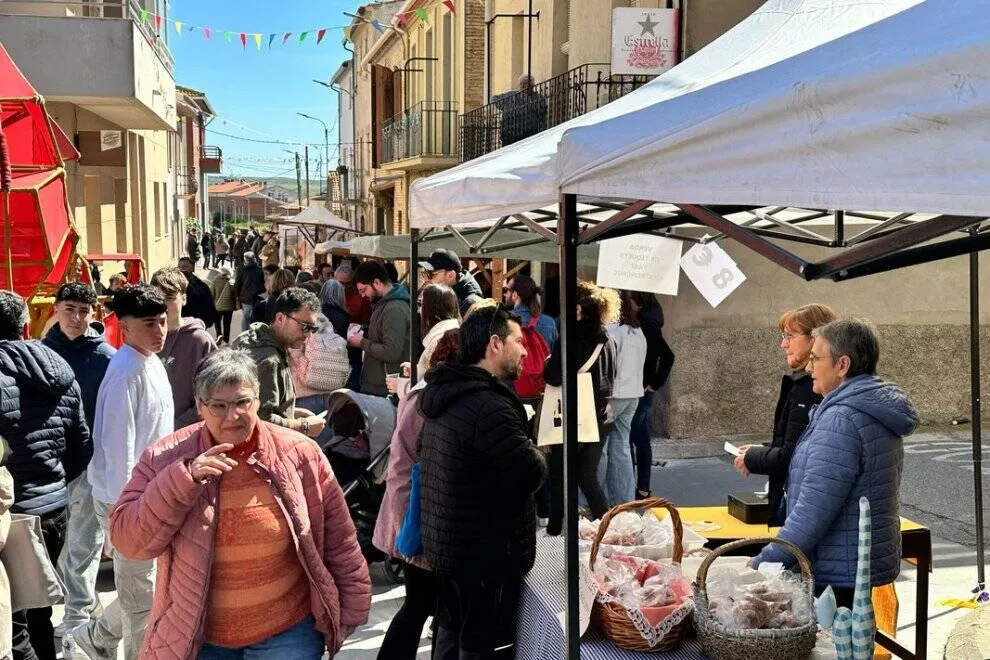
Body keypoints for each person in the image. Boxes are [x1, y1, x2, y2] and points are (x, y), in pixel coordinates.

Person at [108, 349, 372, 658]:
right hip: (201, 636)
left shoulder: (300, 453)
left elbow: (339, 536)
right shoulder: (165, 456)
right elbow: (128, 541)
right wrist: (183, 480)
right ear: (200, 407)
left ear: (258, 400)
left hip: (287, 632)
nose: (232, 416)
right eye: (219, 406)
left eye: (242, 402)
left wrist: (353, 602)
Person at [750, 319, 918, 608]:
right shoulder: (863, 406)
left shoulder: (842, 418)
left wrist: (765, 560)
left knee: (836, 648)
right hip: (852, 562)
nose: (808, 367)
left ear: (842, 365)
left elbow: (814, 509)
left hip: (837, 569)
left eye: (815, 358)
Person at [419, 305, 547, 659]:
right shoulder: (487, 406)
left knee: (451, 634)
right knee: (479, 645)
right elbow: (529, 472)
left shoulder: (448, 394)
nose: (524, 350)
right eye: (518, 341)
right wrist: (538, 448)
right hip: (482, 556)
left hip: (452, 549)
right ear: (494, 344)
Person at [75, 285, 173, 660]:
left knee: (149, 589)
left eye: (162, 321)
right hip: (128, 501)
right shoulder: (125, 373)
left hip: (153, 497)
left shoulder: (150, 361)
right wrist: (125, 514)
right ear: (124, 327)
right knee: (141, 602)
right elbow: (117, 454)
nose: (159, 331)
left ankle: (96, 636)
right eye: (149, 323)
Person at [0, 291, 91, 660]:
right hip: (54, 510)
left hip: (10, 516)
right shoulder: (57, 365)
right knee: (41, 610)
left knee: (12, 621)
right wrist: (52, 481)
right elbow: (81, 445)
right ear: (25, 325)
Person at [372, 329, 460, 659]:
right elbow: (409, 460)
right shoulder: (429, 398)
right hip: (418, 514)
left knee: (424, 604)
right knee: (420, 604)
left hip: (415, 510)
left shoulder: (427, 393)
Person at [41, 284, 116, 655]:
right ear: (55, 309)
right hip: (49, 465)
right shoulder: (40, 353)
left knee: (83, 545)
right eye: (70, 309)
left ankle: (76, 619)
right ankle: (80, 604)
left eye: (85, 311)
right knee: (54, 544)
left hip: (89, 463)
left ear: (95, 313)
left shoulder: (106, 357)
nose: (77, 318)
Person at [735, 304, 838, 526]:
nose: (783, 344)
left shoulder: (811, 388)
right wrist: (761, 450)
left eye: (790, 336)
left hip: (801, 507)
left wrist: (754, 457)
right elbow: (794, 441)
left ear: (815, 339)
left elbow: (794, 455)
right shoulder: (805, 384)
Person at [544, 281, 617, 536]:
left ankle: (555, 530)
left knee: (558, 473)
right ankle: (607, 529)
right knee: (588, 478)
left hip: (573, 416)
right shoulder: (608, 339)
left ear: (577, 308)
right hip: (602, 418)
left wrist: (549, 363)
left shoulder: (571, 337)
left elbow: (554, 377)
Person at [232, 287, 327, 439]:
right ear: (281, 318)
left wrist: (291, 412)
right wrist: (303, 426)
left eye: (313, 328)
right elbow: (260, 420)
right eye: (304, 326)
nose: (308, 335)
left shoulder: (253, 338)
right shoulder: (269, 361)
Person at [598, 291, 648, 507]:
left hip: (614, 394)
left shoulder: (611, 331)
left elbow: (607, 365)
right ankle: (624, 501)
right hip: (633, 394)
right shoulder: (638, 332)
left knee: (600, 449)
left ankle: (596, 500)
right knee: (622, 447)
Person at [151, 267, 218, 428]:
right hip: (151, 434)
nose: (163, 304)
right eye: (157, 298)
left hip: (189, 434)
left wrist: (177, 425)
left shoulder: (200, 341)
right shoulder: (144, 337)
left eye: (169, 297)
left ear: (184, 298)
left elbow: (215, 393)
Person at [628, 291, 673, 499]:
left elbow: (667, 355)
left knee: (629, 437)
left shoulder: (647, 323)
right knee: (641, 437)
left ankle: (634, 487)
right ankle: (642, 488)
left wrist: (654, 383)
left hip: (641, 387)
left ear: (637, 300)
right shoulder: (649, 318)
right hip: (641, 386)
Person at [348, 261, 411, 396]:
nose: (363, 296)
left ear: (376, 283)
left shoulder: (394, 309)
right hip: (378, 386)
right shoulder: (383, 304)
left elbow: (391, 352)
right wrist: (364, 330)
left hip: (384, 391)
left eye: (363, 290)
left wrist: (361, 342)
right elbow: (381, 333)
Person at [413, 283, 460, 381]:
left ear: (432, 309)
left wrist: (400, 386)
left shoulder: (439, 341)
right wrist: (416, 370)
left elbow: (431, 384)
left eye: (421, 304)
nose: (419, 310)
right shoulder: (455, 333)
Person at [419, 249, 483, 314]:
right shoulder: (443, 288)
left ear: (450, 275)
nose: (426, 279)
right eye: (425, 273)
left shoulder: (470, 302)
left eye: (430, 274)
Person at [491, 74, 548, 146]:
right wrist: (505, 107)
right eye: (521, 84)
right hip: (510, 132)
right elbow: (493, 99)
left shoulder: (538, 98)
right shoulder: (512, 94)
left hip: (529, 131)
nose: (522, 86)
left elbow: (542, 114)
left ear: (532, 85)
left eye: (525, 83)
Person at [506, 274, 557, 349]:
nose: (504, 294)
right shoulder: (549, 323)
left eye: (506, 290)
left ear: (514, 295)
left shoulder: (505, 320)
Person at [177, 256, 217, 328]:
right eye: (180, 267)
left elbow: (209, 309)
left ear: (192, 268)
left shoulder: (202, 287)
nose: (182, 269)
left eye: (185, 267)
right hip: (177, 327)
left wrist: (203, 325)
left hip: (196, 327)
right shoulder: (172, 286)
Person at [234, 251, 266, 333]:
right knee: (255, 318)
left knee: (246, 317)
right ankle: (254, 334)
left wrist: (237, 298)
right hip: (257, 297)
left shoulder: (241, 269)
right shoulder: (259, 270)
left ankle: (245, 334)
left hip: (245, 298)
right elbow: (263, 285)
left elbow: (237, 284)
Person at [210, 265, 236, 344]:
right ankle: (226, 340)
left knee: (217, 323)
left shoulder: (215, 281)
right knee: (227, 324)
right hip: (229, 307)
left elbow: (212, 294)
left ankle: (219, 336)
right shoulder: (231, 282)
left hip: (217, 307)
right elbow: (234, 295)